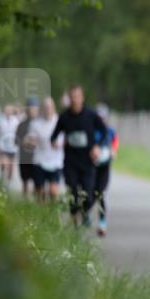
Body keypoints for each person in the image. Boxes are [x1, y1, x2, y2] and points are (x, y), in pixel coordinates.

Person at [51, 85, 106, 228]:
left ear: (82, 98)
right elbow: (54, 135)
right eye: (72, 97)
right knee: (73, 193)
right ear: (69, 99)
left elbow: (104, 131)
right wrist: (55, 143)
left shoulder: (91, 115)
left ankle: (85, 212)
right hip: (71, 162)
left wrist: (97, 146)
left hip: (88, 161)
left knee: (88, 194)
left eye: (78, 97)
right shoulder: (64, 117)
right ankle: (74, 221)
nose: (75, 100)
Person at [92, 103, 119, 237]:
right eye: (99, 117)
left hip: (104, 165)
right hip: (91, 166)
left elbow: (114, 141)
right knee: (89, 193)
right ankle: (84, 215)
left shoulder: (109, 130)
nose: (101, 119)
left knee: (100, 194)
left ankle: (102, 222)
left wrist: (113, 150)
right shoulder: (91, 130)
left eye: (103, 117)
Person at [31, 97, 63, 203]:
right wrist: (31, 141)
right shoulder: (35, 123)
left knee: (53, 191)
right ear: (42, 109)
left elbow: (66, 138)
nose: (48, 109)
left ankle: (52, 211)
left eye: (50, 107)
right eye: (46, 107)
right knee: (39, 192)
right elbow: (30, 138)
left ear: (53, 108)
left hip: (56, 161)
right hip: (39, 160)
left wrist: (60, 144)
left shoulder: (60, 121)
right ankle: (41, 213)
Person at [15, 97, 41, 198]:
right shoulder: (21, 125)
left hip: (38, 158)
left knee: (38, 184)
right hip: (25, 157)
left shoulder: (41, 123)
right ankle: (25, 205)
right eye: (30, 108)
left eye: (34, 108)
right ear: (26, 110)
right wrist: (24, 142)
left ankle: (37, 206)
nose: (32, 110)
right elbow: (15, 141)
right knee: (25, 182)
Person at [0, 104, 21, 187]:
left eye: (10, 110)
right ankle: (2, 175)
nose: (8, 112)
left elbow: (19, 133)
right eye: (7, 110)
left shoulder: (16, 121)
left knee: (10, 167)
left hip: (12, 147)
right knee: (3, 163)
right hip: (3, 146)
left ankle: (9, 183)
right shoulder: (1, 120)